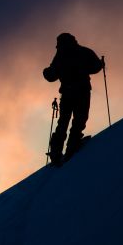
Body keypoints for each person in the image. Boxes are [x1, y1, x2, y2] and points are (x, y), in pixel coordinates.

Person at [43, 33, 103, 165]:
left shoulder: (60, 57)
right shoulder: (83, 52)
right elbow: (95, 67)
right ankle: (73, 144)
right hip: (82, 91)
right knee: (79, 119)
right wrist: (100, 64)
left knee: (64, 122)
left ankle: (56, 152)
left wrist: (46, 72)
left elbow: (52, 75)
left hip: (67, 93)